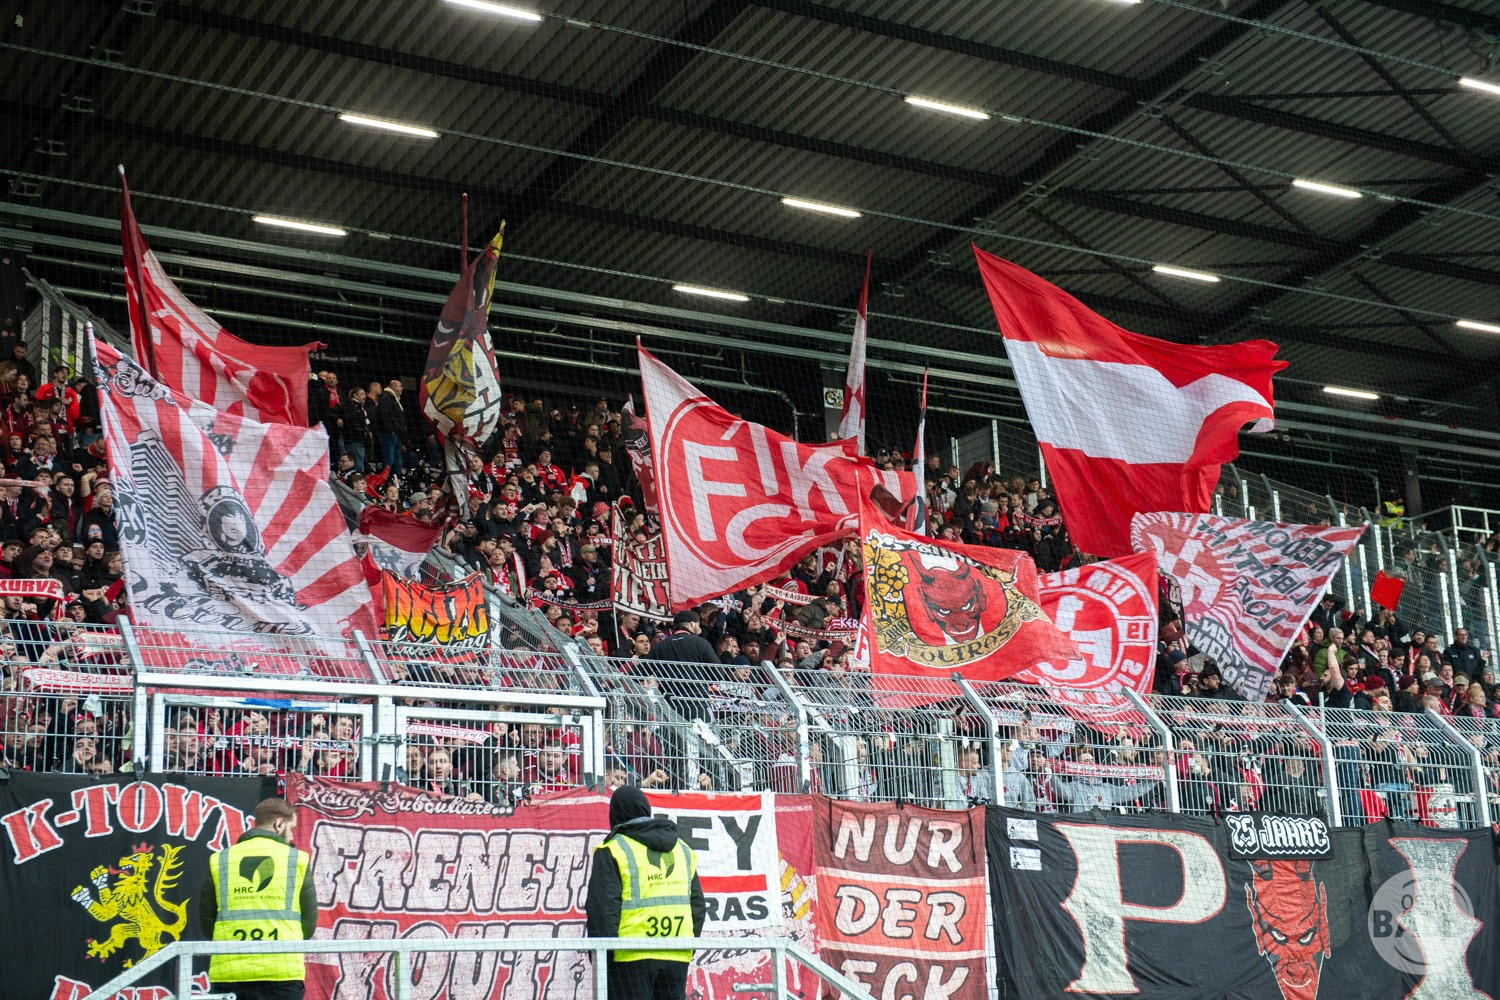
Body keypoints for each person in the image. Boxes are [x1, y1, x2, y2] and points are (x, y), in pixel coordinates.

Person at [585, 786, 707, 1000]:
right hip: (677, 955)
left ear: (615, 815)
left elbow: (602, 911)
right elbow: (697, 906)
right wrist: (687, 944)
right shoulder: (683, 849)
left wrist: (602, 955)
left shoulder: (613, 849)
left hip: (629, 957)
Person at [199, 798, 317, 1000]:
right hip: (282, 972)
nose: (291, 837)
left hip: (230, 971)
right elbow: (308, 922)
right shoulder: (297, 859)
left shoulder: (220, 859)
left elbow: (207, 920)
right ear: (279, 823)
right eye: (291, 829)